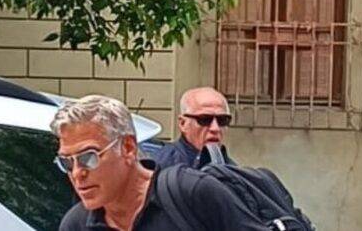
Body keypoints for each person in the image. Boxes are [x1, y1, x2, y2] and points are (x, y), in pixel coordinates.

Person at [50, 95, 269, 231]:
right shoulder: (76, 224)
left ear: (128, 148)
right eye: (67, 162)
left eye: (88, 157)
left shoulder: (193, 193)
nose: (77, 173)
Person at [154, 86, 235, 168]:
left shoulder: (232, 169)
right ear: (183, 123)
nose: (215, 128)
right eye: (204, 119)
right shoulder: (163, 166)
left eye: (222, 120)